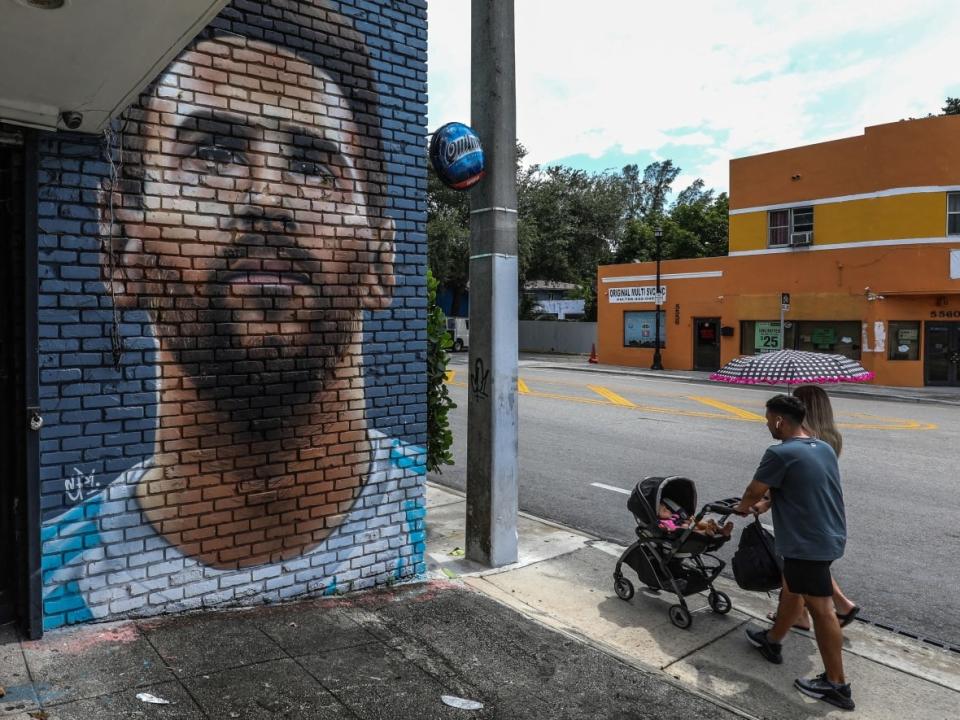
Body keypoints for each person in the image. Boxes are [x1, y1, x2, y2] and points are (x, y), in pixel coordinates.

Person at [40, 1, 423, 626]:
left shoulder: (417, 516)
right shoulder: (53, 583)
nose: (266, 200)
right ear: (117, 244)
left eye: (311, 165)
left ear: (382, 258)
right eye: (213, 153)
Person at [734, 395, 854, 711]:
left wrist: (745, 507)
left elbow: (753, 490)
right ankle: (772, 640)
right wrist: (768, 503)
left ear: (779, 421)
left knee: (822, 611)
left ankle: (836, 684)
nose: (766, 424)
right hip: (829, 536)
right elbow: (801, 483)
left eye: (767, 419)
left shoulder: (780, 452)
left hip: (806, 544)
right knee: (792, 589)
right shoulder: (821, 447)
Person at [764, 385, 859, 631]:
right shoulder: (830, 437)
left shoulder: (808, 440)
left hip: (803, 518)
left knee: (796, 574)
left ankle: (793, 621)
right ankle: (839, 606)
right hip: (824, 514)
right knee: (808, 571)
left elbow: (795, 479)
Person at [657, 502, 732, 537]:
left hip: (689, 526)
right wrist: (667, 529)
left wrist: (689, 520)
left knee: (703, 521)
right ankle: (705, 532)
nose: (668, 510)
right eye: (664, 510)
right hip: (681, 532)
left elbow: (686, 519)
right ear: (658, 515)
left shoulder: (674, 516)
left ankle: (721, 530)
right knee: (691, 529)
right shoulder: (663, 522)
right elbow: (669, 529)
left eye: (667, 508)